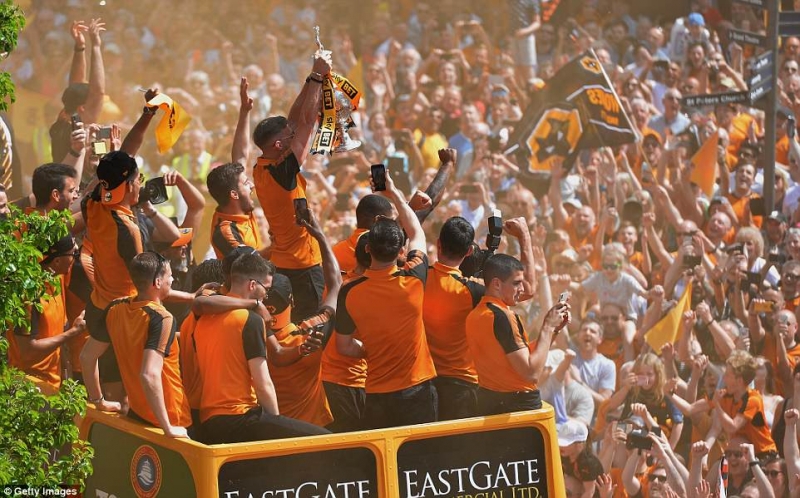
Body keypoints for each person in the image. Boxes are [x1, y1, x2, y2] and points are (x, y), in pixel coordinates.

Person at [233, 52, 332, 322]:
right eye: (289, 137)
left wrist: (310, 80)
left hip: (282, 262)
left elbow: (295, 120)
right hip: (304, 266)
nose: (293, 135)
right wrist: (317, 76)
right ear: (278, 145)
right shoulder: (282, 170)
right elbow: (307, 121)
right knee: (309, 325)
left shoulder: (262, 166)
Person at [335, 172, 437, 429]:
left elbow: (344, 346)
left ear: (367, 249)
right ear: (401, 251)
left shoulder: (349, 291)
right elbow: (416, 232)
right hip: (417, 389)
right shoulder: (413, 279)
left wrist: (371, 350)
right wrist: (394, 194)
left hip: (377, 394)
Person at [193, 252, 330, 443]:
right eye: (266, 288)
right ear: (252, 285)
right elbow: (263, 383)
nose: (267, 295)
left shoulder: (204, 318)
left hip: (209, 420)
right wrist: (276, 429)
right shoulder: (249, 319)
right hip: (241, 417)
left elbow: (199, 303)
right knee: (328, 441)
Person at [424, 212, 537, 420]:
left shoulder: (418, 277)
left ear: (438, 244)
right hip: (462, 388)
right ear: (469, 251)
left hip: (424, 383)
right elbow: (527, 289)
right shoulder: (471, 290)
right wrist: (524, 237)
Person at [80, 252, 191, 437]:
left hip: (137, 415)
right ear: (157, 282)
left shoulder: (116, 307)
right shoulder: (163, 318)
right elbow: (149, 374)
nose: (172, 280)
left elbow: (86, 357)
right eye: (169, 276)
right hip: (172, 418)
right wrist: (168, 428)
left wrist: (99, 401)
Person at [263, 213, 342, 428]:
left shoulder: (247, 331)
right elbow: (335, 284)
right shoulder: (310, 332)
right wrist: (320, 237)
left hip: (270, 432)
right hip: (314, 428)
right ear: (292, 301)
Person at [466, 253, 570, 415]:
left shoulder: (475, 314)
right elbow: (531, 372)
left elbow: (522, 357)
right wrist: (548, 326)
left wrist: (554, 330)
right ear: (497, 284)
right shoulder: (503, 316)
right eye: (516, 283)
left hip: (490, 403)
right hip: (518, 408)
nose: (522, 289)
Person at [7, 235, 85, 388]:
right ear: (57, 261)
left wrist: (65, 369)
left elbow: (56, 333)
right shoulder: (28, 295)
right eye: (73, 254)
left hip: (53, 381)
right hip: (28, 385)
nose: (76, 255)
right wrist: (73, 332)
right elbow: (27, 351)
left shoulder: (56, 278)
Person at [206, 162, 263, 258]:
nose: (252, 185)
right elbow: (252, 261)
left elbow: (241, 155)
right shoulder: (225, 232)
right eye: (246, 183)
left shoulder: (244, 207)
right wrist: (277, 246)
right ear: (234, 194)